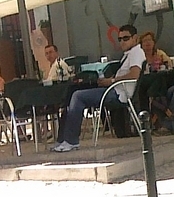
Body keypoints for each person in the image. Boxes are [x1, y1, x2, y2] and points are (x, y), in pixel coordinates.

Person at [53, 24, 145, 152]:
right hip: (115, 90)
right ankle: (63, 139)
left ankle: (70, 141)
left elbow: (134, 74)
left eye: (126, 38)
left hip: (119, 93)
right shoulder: (129, 54)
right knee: (73, 94)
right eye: (120, 39)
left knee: (77, 96)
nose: (122, 42)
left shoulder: (136, 52)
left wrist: (111, 80)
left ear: (135, 38)